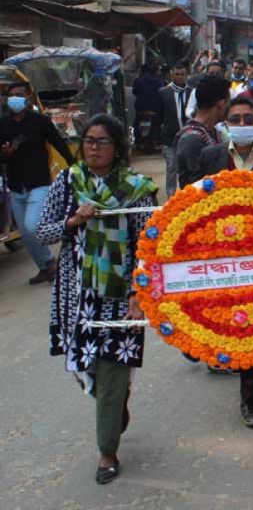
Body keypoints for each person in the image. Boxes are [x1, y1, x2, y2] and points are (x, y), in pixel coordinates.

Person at [36, 114, 157, 484]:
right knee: (87, 370)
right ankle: (114, 405)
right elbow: (43, 232)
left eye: (102, 141)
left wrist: (138, 293)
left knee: (112, 368)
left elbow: (148, 245)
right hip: (78, 295)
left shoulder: (137, 188)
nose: (93, 148)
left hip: (121, 296)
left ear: (117, 147)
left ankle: (107, 452)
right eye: (88, 140)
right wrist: (73, 221)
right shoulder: (68, 182)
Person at [188, 97, 253, 427]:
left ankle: (250, 399)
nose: (242, 124)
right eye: (235, 119)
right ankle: (221, 356)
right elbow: (192, 204)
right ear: (226, 123)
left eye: (249, 118)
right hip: (220, 255)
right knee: (224, 319)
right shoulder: (210, 156)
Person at [0, 82, 75, 284]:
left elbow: (58, 142)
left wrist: (74, 165)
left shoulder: (40, 121)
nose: (14, 98)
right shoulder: (3, 124)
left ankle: (50, 263)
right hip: (16, 185)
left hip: (39, 183)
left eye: (19, 94)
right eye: (11, 95)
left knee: (33, 226)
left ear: (28, 98)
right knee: (25, 233)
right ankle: (46, 266)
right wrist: (5, 154)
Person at [176, 75, 229, 188]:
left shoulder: (212, 131)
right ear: (221, 103)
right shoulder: (192, 138)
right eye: (228, 102)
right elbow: (198, 184)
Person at [159, 60, 193, 197]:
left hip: (189, 137)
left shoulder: (192, 92)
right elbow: (158, 116)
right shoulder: (163, 92)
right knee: (172, 167)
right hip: (169, 138)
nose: (179, 77)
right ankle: (171, 197)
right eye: (177, 74)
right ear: (172, 75)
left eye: (182, 74)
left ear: (187, 75)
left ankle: (187, 195)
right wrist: (157, 138)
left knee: (188, 168)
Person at [132, 63, 165, 146]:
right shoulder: (159, 81)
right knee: (159, 122)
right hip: (155, 109)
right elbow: (163, 94)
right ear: (156, 71)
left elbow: (134, 91)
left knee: (136, 122)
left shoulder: (139, 80)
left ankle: (136, 140)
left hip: (141, 109)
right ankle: (157, 139)